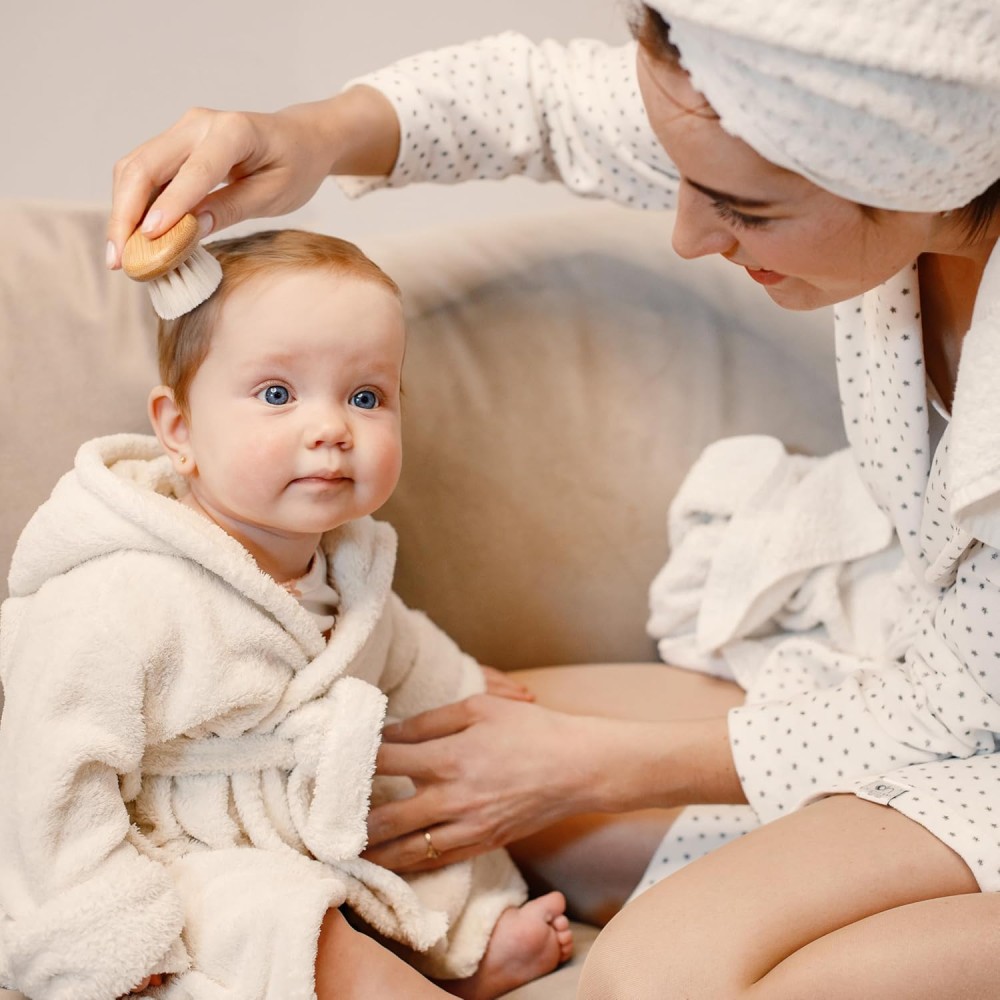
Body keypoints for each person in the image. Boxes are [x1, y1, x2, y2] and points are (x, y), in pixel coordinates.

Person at [103, 0, 1000, 996]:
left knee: (656, 976)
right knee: (396, 771)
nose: (687, 234)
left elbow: (963, 712)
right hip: (928, 684)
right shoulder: (846, 142)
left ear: (910, 173)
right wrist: (306, 135)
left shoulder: (883, 139)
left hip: (974, 736)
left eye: (742, 210)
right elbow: (541, 104)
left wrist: (593, 765)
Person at [0, 228, 574, 1000]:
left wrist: (467, 692)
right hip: (173, 853)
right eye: (278, 394)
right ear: (180, 431)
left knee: (425, 812)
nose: (332, 427)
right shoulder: (115, 593)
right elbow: (51, 782)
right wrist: (106, 934)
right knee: (280, 913)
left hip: (307, 815)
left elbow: (397, 655)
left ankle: (463, 943)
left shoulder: (348, 562)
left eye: (366, 397)